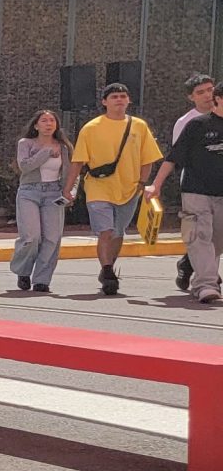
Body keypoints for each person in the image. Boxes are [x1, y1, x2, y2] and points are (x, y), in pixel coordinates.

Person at [67, 81, 162, 296]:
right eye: (114, 97)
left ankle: (108, 265)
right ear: (104, 102)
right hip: (98, 186)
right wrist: (69, 188)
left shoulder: (139, 126)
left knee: (118, 232)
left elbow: (148, 158)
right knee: (106, 231)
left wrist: (142, 183)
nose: (119, 100)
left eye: (122, 96)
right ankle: (109, 272)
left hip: (130, 189)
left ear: (129, 100)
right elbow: (78, 161)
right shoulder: (91, 128)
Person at [150, 92, 223, 302]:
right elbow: (174, 156)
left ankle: (196, 270)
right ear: (218, 99)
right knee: (200, 237)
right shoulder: (198, 125)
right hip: (196, 191)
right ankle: (206, 284)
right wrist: (155, 185)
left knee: (217, 240)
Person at [12, 110, 71, 294]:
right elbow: (25, 166)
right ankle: (23, 271)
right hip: (29, 191)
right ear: (36, 125)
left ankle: (42, 280)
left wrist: (70, 191)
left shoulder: (63, 147)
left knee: (52, 238)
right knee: (31, 236)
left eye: (52, 120)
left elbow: (71, 172)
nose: (48, 124)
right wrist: (45, 152)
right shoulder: (26, 143)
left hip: (54, 193)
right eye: (44, 120)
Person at [173, 76, 217, 292]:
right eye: (201, 92)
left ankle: (189, 263)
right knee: (202, 232)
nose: (208, 95)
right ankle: (207, 279)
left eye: (210, 90)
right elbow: (177, 156)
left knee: (214, 233)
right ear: (191, 97)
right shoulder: (186, 122)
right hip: (196, 186)